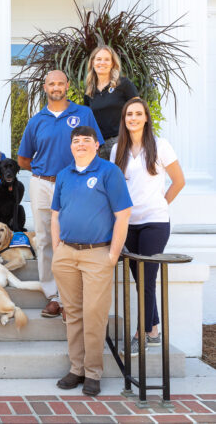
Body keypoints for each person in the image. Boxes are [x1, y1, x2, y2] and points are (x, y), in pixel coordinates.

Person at [51, 125, 132, 396]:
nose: (81, 144)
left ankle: (93, 372)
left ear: (97, 145)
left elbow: (123, 214)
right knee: (73, 314)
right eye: (77, 141)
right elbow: (55, 215)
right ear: (71, 146)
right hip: (66, 254)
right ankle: (77, 369)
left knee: (94, 315)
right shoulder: (63, 175)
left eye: (87, 140)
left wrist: (112, 254)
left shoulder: (109, 172)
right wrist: (57, 248)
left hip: (98, 253)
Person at [17, 70, 104, 318]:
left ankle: (70, 299)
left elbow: (94, 147)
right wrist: (46, 171)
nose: (56, 87)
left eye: (60, 83)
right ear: (45, 87)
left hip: (74, 184)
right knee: (45, 240)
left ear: (67, 86)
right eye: (51, 83)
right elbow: (23, 159)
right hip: (42, 184)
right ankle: (53, 296)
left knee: (71, 239)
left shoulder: (83, 114)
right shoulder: (36, 120)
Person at [111, 98, 185, 355]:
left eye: (138, 113)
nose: (133, 118)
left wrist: (160, 204)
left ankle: (140, 333)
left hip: (154, 223)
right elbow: (116, 188)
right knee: (140, 279)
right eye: (129, 114)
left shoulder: (160, 146)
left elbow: (178, 181)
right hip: (128, 224)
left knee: (147, 278)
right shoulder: (116, 150)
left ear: (146, 118)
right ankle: (153, 330)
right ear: (124, 119)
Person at [83, 45, 139, 160]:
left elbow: (139, 111)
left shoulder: (124, 84)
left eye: (107, 59)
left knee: (123, 177)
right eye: (98, 59)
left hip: (121, 142)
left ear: (113, 63)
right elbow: (89, 120)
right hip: (99, 145)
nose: (102, 62)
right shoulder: (89, 91)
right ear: (93, 62)